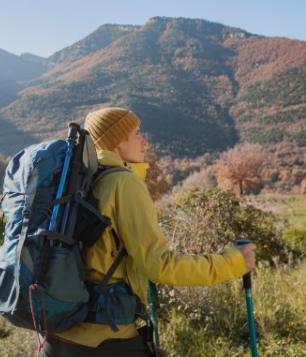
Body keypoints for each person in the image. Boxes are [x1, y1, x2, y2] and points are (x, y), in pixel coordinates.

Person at [40, 107, 256, 357]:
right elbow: (160, 266)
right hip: (104, 339)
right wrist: (233, 263)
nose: (145, 142)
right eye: (137, 134)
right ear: (118, 141)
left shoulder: (81, 181)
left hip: (57, 335)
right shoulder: (123, 183)